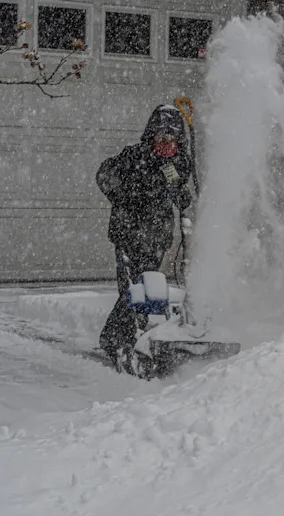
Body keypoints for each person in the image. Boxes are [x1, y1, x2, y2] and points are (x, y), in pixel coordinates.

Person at [96, 104, 194, 371]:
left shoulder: (175, 164)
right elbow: (104, 175)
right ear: (152, 135)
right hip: (128, 233)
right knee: (132, 289)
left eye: (172, 139)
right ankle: (119, 339)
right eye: (162, 137)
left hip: (157, 235)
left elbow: (177, 190)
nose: (166, 143)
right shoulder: (133, 156)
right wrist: (124, 197)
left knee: (149, 290)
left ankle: (130, 337)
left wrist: (181, 196)